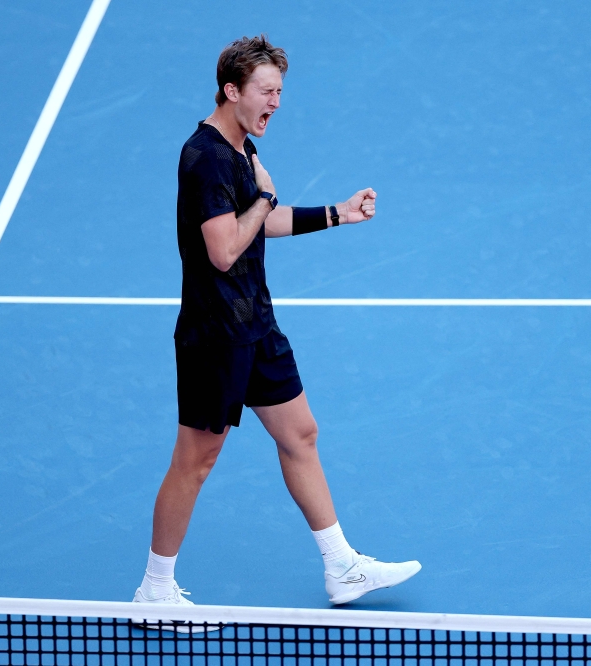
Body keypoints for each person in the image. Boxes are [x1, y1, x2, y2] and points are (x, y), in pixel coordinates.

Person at [133, 35, 420, 608]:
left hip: (254, 323)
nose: (277, 102)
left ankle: (342, 567)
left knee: (301, 434)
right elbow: (222, 249)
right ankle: (155, 590)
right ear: (231, 90)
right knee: (196, 459)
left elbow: (261, 221)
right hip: (215, 334)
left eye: (280, 91)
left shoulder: (241, 148)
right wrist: (262, 198)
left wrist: (338, 213)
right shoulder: (207, 157)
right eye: (267, 91)